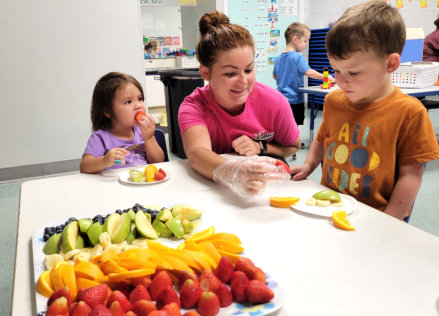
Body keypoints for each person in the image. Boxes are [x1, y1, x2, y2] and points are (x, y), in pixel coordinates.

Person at [290, 1, 439, 221]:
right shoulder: (334, 101)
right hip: (333, 204)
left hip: (380, 214)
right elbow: (322, 139)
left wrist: (390, 219)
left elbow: (411, 176)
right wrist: (308, 164)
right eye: (336, 70)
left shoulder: (410, 113)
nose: (340, 81)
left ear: (390, 64)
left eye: (353, 72)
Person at [178, 11, 301, 196]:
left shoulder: (275, 102)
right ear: (205, 73)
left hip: (267, 192)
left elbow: (294, 146)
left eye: (249, 69)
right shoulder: (194, 107)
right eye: (230, 73)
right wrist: (235, 172)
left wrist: (261, 147)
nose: (243, 82)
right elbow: (197, 154)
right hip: (215, 191)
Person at [80, 72, 164, 173]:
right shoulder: (100, 137)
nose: (138, 106)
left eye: (140, 99)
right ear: (107, 111)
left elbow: (159, 161)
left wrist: (149, 138)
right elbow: (84, 167)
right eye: (128, 102)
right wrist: (104, 161)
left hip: (142, 182)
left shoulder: (143, 132)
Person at [273, 22, 335, 130]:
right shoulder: (298, 57)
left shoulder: (278, 58)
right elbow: (309, 72)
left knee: (284, 124)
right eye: (305, 41)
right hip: (294, 99)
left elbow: (275, 76)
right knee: (294, 125)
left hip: (280, 99)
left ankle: (287, 141)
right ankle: (293, 142)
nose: (306, 44)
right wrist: (325, 77)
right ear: (296, 39)